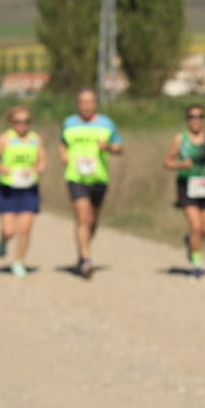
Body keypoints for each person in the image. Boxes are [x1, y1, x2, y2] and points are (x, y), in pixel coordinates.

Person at [59, 88, 122, 278]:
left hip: (99, 177)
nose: (86, 106)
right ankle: (86, 259)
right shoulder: (69, 123)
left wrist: (109, 147)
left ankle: (82, 251)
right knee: (82, 217)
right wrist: (63, 154)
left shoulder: (107, 124)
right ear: (78, 104)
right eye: (82, 102)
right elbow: (62, 142)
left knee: (93, 220)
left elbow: (119, 147)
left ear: (95, 104)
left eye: (90, 102)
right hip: (75, 176)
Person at [161, 103, 205, 275]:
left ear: (203, 119)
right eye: (192, 117)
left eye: (199, 117)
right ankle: (196, 265)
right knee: (196, 227)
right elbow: (167, 162)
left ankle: (190, 241)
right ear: (187, 120)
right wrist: (181, 164)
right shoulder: (180, 139)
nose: (196, 120)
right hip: (186, 187)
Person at [0, 105, 46, 278]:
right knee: (9, 231)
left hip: (29, 188)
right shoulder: (4, 139)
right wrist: (4, 169)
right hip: (8, 189)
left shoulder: (36, 139)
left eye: (26, 121)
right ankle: (3, 240)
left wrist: (38, 169)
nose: (22, 125)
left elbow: (42, 161)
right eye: (18, 121)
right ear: (11, 122)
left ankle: (19, 262)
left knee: (25, 229)